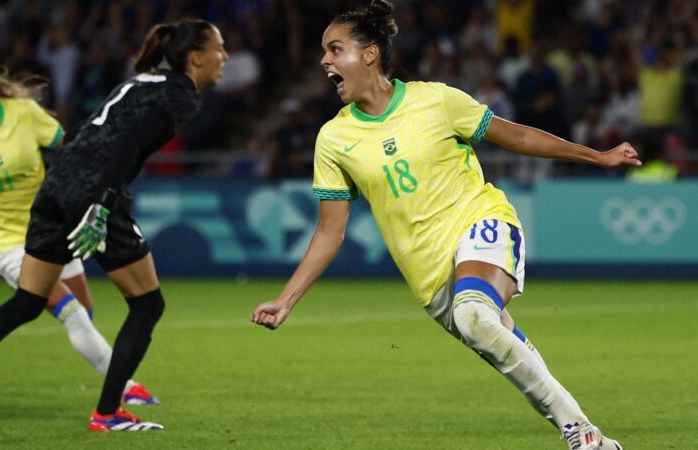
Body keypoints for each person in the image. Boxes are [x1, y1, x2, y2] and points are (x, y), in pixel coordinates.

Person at [250, 2, 636, 449]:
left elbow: (521, 137)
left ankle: (580, 437)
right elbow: (329, 232)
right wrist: (286, 300)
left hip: (481, 221)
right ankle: (592, 436)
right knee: (494, 335)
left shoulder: (435, 100)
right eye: (324, 52)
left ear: (370, 54)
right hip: (430, 277)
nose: (325, 61)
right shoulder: (334, 139)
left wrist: (597, 156)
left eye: (335, 49)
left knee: (473, 315)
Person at [0, 19, 227, 432]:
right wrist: (101, 204)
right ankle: (108, 412)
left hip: (56, 186)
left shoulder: (146, 79)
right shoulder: (178, 96)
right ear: (197, 58)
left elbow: (83, 132)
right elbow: (128, 143)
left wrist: (70, 186)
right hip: (93, 190)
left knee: (26, 303)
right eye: (220, 48)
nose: (226, 57)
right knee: (148, 305)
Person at [0, 42, 159, 408]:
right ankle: (126, 388)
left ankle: (100, 362)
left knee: (84, 307)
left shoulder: (24, 114)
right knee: (73, 314)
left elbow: (69, 147)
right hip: (8, 244)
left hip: (52, 225)